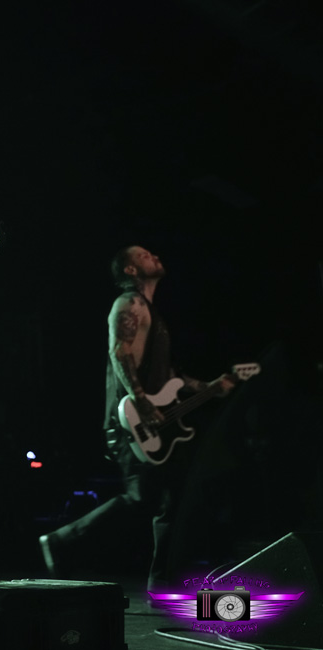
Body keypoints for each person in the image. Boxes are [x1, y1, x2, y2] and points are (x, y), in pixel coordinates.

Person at [39, 245, 235, 592]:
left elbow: (170, 376)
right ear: (130, 270)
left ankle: (161, 583)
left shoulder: (151, 312)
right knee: (142, 498)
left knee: (169, 498)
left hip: (150, 418)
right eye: (144, 255)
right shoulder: (128, 304)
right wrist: (142, 403)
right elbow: (120, 352)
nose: (155, 256)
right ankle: (61, 540)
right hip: (130, 419)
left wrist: (209, 387)